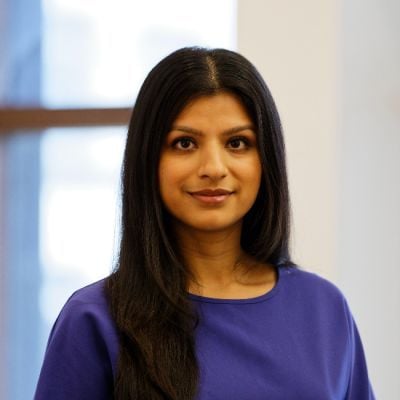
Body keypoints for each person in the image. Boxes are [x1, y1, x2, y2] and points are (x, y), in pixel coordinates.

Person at [34, 47, 375, 400]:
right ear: (148, 159)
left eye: (237, 143)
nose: (213, 167)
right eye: (184, 143)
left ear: (266, 160)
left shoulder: (324, 308)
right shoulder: (95, 318)